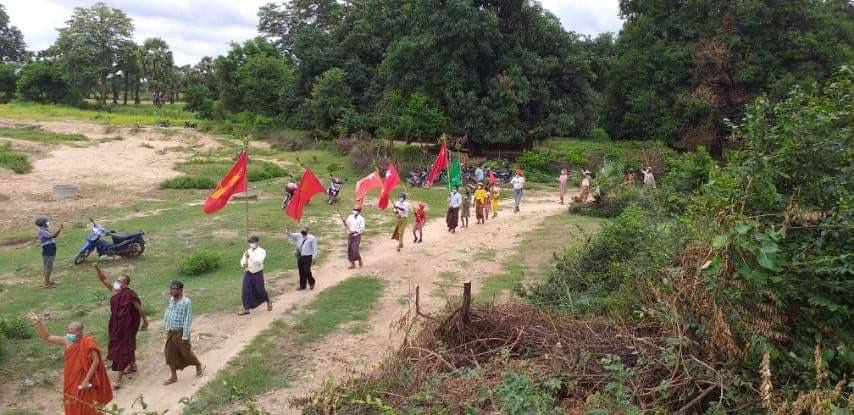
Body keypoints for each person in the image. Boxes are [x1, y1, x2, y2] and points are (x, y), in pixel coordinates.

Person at [27, 312, 112, 414]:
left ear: (80, 331)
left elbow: (96, 361)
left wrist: (86, 379)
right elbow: (47, 337)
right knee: (72, 403)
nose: (69, 334)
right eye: (68, 332)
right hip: (71, 379)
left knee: (88, 406)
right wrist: (38, 323)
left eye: (72, 332)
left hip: (85, 379)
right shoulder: (67, 340)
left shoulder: (88, 341)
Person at [93, 264, 148, 389]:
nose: (117, 283)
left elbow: (139, 308)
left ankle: (118, 378)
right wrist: (97, 268)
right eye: (117, 280)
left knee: (122, 349)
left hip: (127, 325)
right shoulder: (114, 290)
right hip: (115, 324)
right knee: (126, 344)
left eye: (120, 281)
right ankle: (132, 365)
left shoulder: (130, 294)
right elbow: (103, 278)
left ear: (126, 284)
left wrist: (145, 321)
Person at [162, 280, 204, 385]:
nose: (171, 291)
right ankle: (173, 376)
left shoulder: (186, 302)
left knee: (186, 352)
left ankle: (198, 365)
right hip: (171, 331)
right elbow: (169, 312)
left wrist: (185, 336)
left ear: (180, 290)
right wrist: (166, 326)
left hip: (181, 332)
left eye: (174, 289)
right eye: (171, 289)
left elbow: (187, 319)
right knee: (170, 354)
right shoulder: (171, 300)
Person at [238, 236, 271, 315]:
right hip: (248, 272)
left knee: (260, 290)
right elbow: (242, 261)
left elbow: (259, 261)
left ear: (257, 242)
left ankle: (268, 300)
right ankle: (246, 309)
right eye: (250, 242)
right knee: (245, 290)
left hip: (257, 273)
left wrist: (250, 257)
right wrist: (243, 264)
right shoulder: (247, 251)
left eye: (252, 242)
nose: (251, 243)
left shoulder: (262, 251)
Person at [36, 216, 63, 288]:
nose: (48, 223)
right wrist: (59, 229)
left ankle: (48, 281)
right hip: (48, 249)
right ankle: (46, 283)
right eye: (46, 222)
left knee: (49, 266)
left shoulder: (45, 230)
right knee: (48, 266)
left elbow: (53, 236)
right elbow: (53, 236)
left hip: (50, 248)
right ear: (43, 223)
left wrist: (59, 230)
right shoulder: (42, 231)